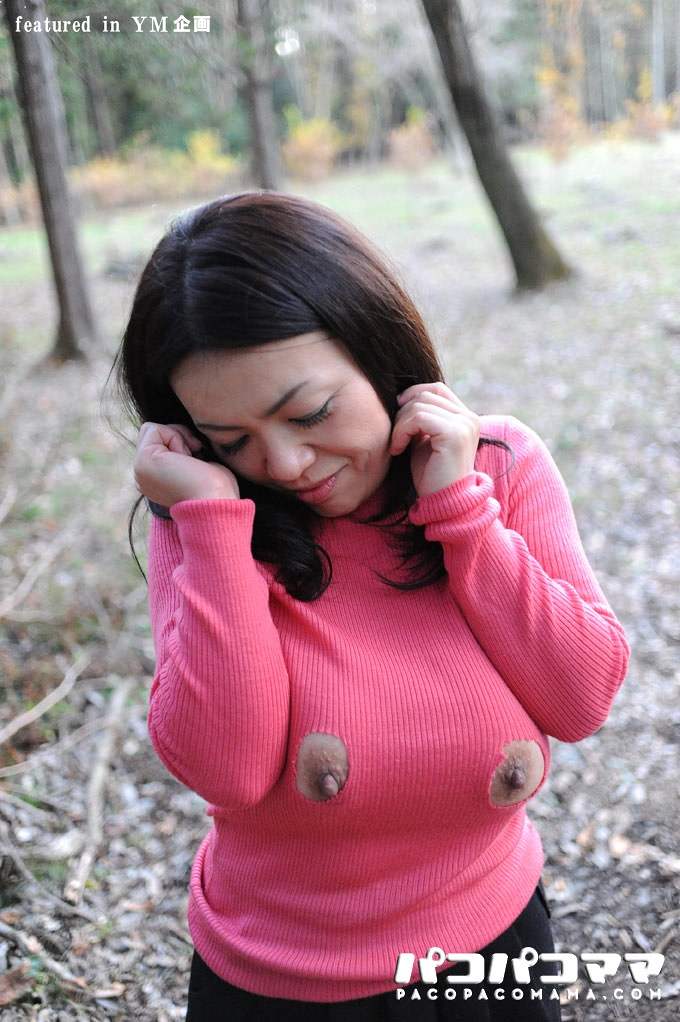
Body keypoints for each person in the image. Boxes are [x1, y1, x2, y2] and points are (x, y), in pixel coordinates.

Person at [111, 190, 630, 1020]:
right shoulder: (208, 522)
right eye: (233, 440)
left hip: (496, 944)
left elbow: (580, 697)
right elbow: (227, 770)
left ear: (378, 348)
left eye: (309, 412)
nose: (285, 464)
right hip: (284, 979)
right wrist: (211, 523)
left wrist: (460, 512)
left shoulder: (498, 466)